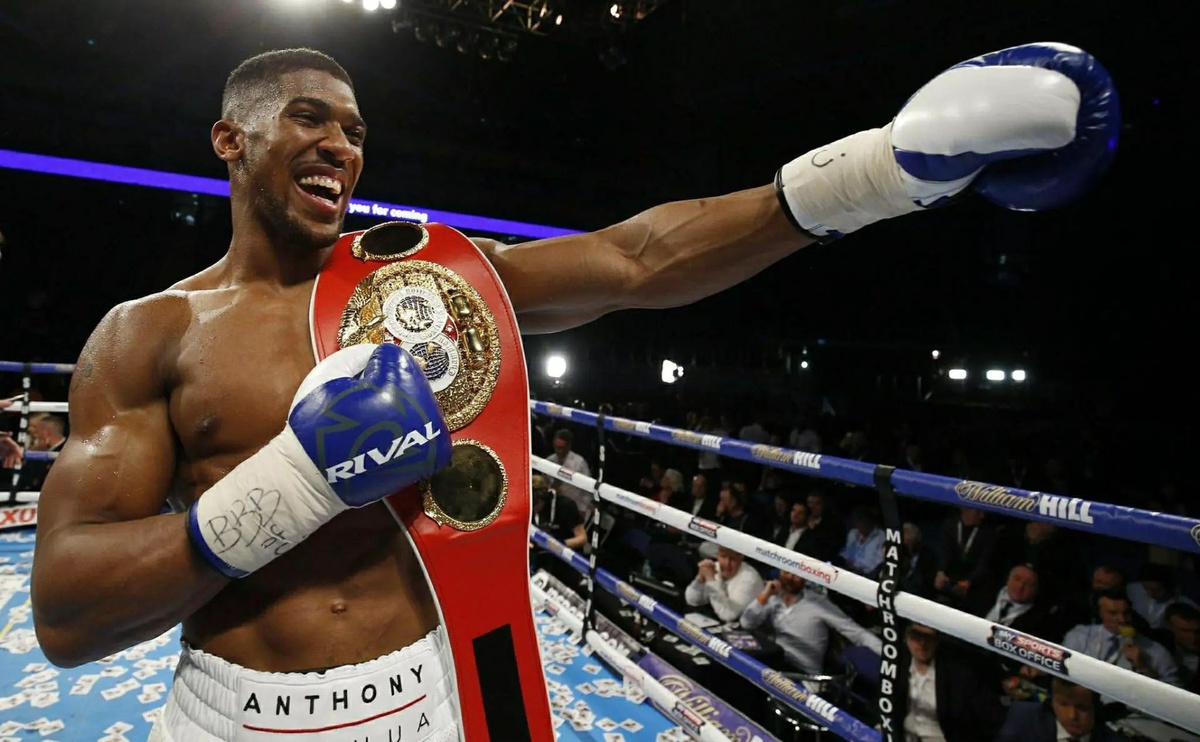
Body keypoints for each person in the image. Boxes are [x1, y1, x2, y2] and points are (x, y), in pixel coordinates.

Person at [28, 42, 1116, 742]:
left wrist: (883, 171)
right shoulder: (149, 333)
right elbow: (69, 612)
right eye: (309, 118)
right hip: (232, 714)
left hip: (428, 697)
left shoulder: (425, 285)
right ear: (230, 139)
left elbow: (637, 257)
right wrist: (290, 484)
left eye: (355, 131)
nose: (340, 148)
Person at [997, 678, 1124, 742]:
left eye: (1081, 707)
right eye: (1063, 704)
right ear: (1052, 701)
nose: (1072, 716)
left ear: (1095, 707)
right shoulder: (1024, 717)